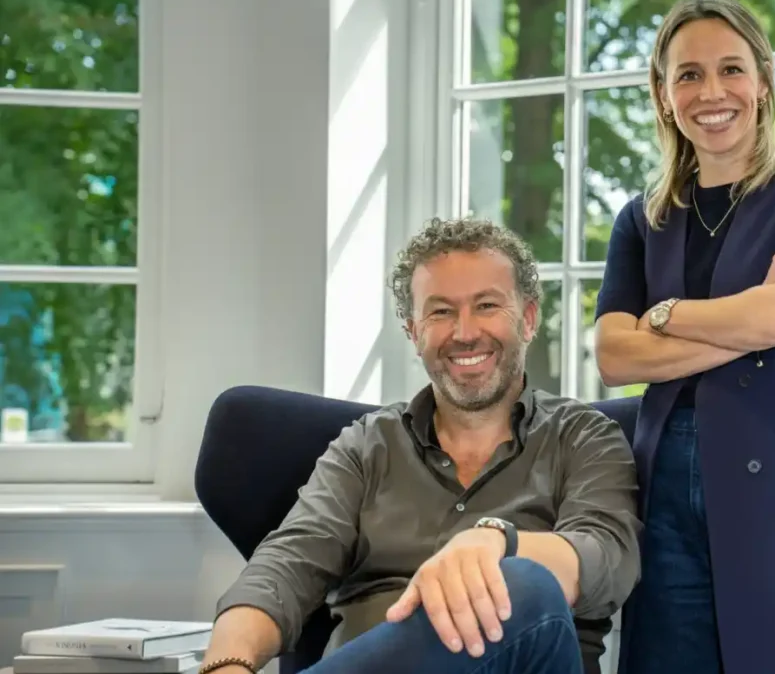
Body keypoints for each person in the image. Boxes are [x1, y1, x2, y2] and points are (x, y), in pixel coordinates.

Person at [197, 218, 642, 674]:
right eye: (441, 312)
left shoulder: (585, 437)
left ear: (528, 319)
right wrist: (227, 664)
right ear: (413, 332)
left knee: (525, 584)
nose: (465, 332)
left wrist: (498, 542)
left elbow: (607, 559)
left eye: (487, 305)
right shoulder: (366, 446)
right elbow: (286, 566)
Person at [594, 0, 775, 674]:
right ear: (663, 95)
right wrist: (751, 315)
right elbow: (614, 355)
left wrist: (665, 315)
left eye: (731, 69)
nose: (711, 93)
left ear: (764, 80)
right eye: (688, 75)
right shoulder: (641, 220)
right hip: (665, 482)